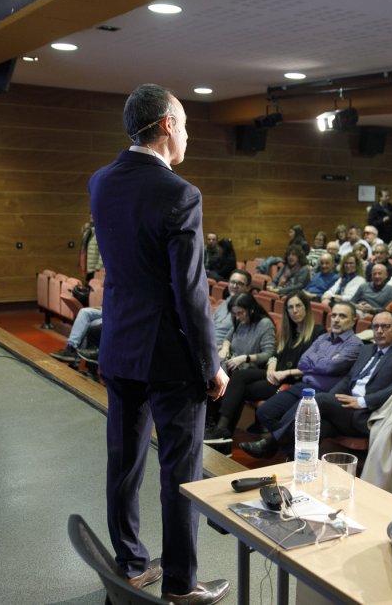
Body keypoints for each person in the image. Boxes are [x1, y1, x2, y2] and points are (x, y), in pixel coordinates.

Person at [88, 84, 229, 603]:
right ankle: (180, 586)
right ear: (168, 125)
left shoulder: (101, 182)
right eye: (186, 123)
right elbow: (189, 291)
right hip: (170, 358)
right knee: (180, 473)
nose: (188, 134)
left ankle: (129, 563)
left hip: (119, 346)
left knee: (123, 461)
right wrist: (210, 363)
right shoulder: (180, 193)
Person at [241, 310, 392, 458]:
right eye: (375, 326)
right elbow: (348, 379)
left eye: (385, 326)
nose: (379, 330)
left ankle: (272, 443)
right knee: (316, 428)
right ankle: (296, 466)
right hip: (345, 409)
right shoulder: (366, 349)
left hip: (368, 414)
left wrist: (363, 401)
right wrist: (334, 398)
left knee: (317, 400)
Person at [205, 292, 322, 447]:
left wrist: (284, 373)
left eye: (298, 306)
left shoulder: (318, 332)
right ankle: (221, 430)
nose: (294, 311)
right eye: (290, 307)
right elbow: (275, 354)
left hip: (293, 380)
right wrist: (272, 368)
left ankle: (223, 430)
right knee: (238, 379)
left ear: (306, 308)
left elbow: (315, 366)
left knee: (239, 385)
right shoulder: (290, 331)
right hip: (275, 373)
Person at [240, 302, 364, 446]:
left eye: (342, 316)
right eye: (334, 315)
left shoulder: (355, 344)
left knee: (292, 419)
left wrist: (317, 361)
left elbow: (331, 367)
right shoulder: (323, 337)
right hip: (303, 385)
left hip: (322, 393)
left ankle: (277, 448)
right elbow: (303, 362)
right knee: (265, 412)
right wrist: (326, 361)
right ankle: (279, 445)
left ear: (354, 320)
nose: (336, 319)